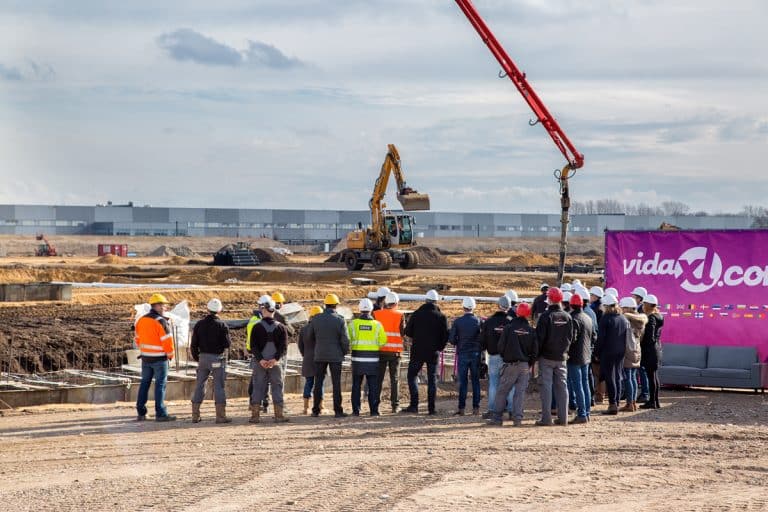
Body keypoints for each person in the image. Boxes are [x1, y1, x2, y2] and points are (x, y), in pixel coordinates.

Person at [486, 303, 537, 427]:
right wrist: (528, 363)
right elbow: (535, 351)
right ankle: (517, 419)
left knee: (502, 391)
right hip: (524, 366)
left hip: (510, 364)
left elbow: (501, 347)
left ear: (517, 312)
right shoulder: (531, 331)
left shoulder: (509, 328)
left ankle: (497, 418)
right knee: (519, 393)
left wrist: (506, 358)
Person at [402, 290, 449, 415]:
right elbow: (445, 336)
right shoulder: (441, 317)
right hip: (433, 352)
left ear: (425, 300)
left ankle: (414, 405)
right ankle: (431, 408)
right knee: (432, 380)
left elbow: (408, 331)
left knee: (412, 376)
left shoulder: (417, 314)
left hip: (417, 351)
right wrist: (439, 347)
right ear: (436, 301)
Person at [535, 287, 574, 426]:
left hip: (546, 358)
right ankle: (563, 418)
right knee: (562, 387)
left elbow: (539, 339)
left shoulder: (545, 317)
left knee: (546, 387)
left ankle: (546, 419)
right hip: (562, 357)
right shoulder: (567, 316)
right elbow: (571, 337)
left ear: (549, 299)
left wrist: (535, 357)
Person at [135, 293, 176, 422]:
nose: (165, 307)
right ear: (157, 306)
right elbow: (167, 342)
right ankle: (161, 413)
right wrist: (170, 355)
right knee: (160, 385)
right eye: (163, 305)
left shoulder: (141, 320)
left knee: (144, 384)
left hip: (146, 358)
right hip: (160, 359)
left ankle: (141, 412)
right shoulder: (161, 321)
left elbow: (137, 339)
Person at [190, 298, 232, 424]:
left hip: (203, 358)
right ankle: (220, 416)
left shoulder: (199, 324)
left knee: (200, 385)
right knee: (219, 386)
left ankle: (195, 415)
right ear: (219, 310)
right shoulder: (222, 325)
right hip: (217, 359)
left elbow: (193, 344)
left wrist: (198, 358)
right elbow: (227, 344)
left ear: (207, 309)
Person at [248, 295, 289, 424]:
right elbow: (284, 347)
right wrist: (275, 359)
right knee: (277, 387)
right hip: (275, 364)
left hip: (260, 363)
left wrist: (260, 360)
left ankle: (255, 416)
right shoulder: (281, 327)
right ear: (274, 311)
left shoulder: (256, 327)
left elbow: (253, 346)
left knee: (258, 387)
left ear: (264, 310)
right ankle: (279, 415)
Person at [309, 294, 351, 418]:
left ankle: (315, 410)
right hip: (335, 355)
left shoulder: (316, 319)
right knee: (336, 383)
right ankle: (338, 411)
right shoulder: (340, 319)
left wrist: (318, 348)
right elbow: (345, 340)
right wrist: (343, 352)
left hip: (320, 355)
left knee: (318, 382)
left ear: (325, 305)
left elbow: (311, 337)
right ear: (336, 305)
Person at [348, 298, 387, 416]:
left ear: (360, 309)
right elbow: (383, 341)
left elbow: (348, 339)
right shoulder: (377, 325)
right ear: (371, 310)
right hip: (372, 360)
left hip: (357, 360)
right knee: (373, 386)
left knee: (356, 386)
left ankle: (356, 411)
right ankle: (374, 411)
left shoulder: (353, 324)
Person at [481, 295, 515, 420]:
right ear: (509, 307)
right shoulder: (511, 322)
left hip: (494, 356)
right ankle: (511, 410)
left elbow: (482, 339)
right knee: (510, 384)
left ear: (498, 305)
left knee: (494, 383)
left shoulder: (489, 322)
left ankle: (492, 409)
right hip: (508, 358)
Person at [596, 294, 630, 415]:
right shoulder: (622, 318)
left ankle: (612, 405)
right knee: (618, 376)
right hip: (620, 351)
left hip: (608, 351)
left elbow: (600, 338)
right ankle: (616, 402)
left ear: (606, 306)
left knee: (610, 378)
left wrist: (596, 353)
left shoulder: (606, 319)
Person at [373, 292, 406, 413]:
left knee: (378, 379)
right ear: (396, 303)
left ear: (385, 303)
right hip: (395, 353)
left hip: (380, 351)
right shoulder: (400, 315)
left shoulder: (376, 314)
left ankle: (375, 406)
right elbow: (403, 333)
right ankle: (395, 406)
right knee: (395, 379)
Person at [449, 297, 483, 415]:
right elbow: (482, 338)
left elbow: (452, 340)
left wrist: (459, 341)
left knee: (463, 382)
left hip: (463, 354)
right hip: (475, 354)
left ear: (463, 307)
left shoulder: (458, 322)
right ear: (473, 307)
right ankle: (476, 408)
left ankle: (461, 408)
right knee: (475, 381)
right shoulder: (478, 321)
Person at [568, 293, 594, 424]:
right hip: (586, 356)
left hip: (575, 357)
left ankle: (582, 414)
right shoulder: (588, 317)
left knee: (578, 385)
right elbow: (593, 336)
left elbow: (572, 339)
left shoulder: (573, 319)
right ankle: (586, 412)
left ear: (571, 305)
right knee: (585, 384)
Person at [619, 297, 645, 412]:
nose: (622, 310)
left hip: (628, 351)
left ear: (628, 308)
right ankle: (633, 402)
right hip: (637, 350)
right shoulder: (640, 319)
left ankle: (629, 403)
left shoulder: (627, 320)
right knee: (633, 377)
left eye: (623, 307)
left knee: (628, 377)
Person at [298, 305, 325, 415]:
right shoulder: (321, 329)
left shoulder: (304, 329)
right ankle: (321, 406)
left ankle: (306, 408)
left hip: (308, 359)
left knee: (308, 382)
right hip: (320, 358)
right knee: (320, 383)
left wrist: (306, 355)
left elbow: (300, 346)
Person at [640, 294, 664, 409]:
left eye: (644, 304)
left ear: (649, 305)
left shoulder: (651, 318)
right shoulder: (659, 316)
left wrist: (642, 343)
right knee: (654, 376)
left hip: (651, 350)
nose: (643, 306)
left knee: (651, 376)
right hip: (657, 348)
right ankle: (655, 401)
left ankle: (652, 401)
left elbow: (650, 337)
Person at [629, 286, 651, 402]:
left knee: (642, 370)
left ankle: (645, 393)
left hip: (641, 345)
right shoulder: (639, 310)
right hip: (639, 345)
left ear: (639, 298)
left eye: (634, 296)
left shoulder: (641, 312)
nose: (632, 297)